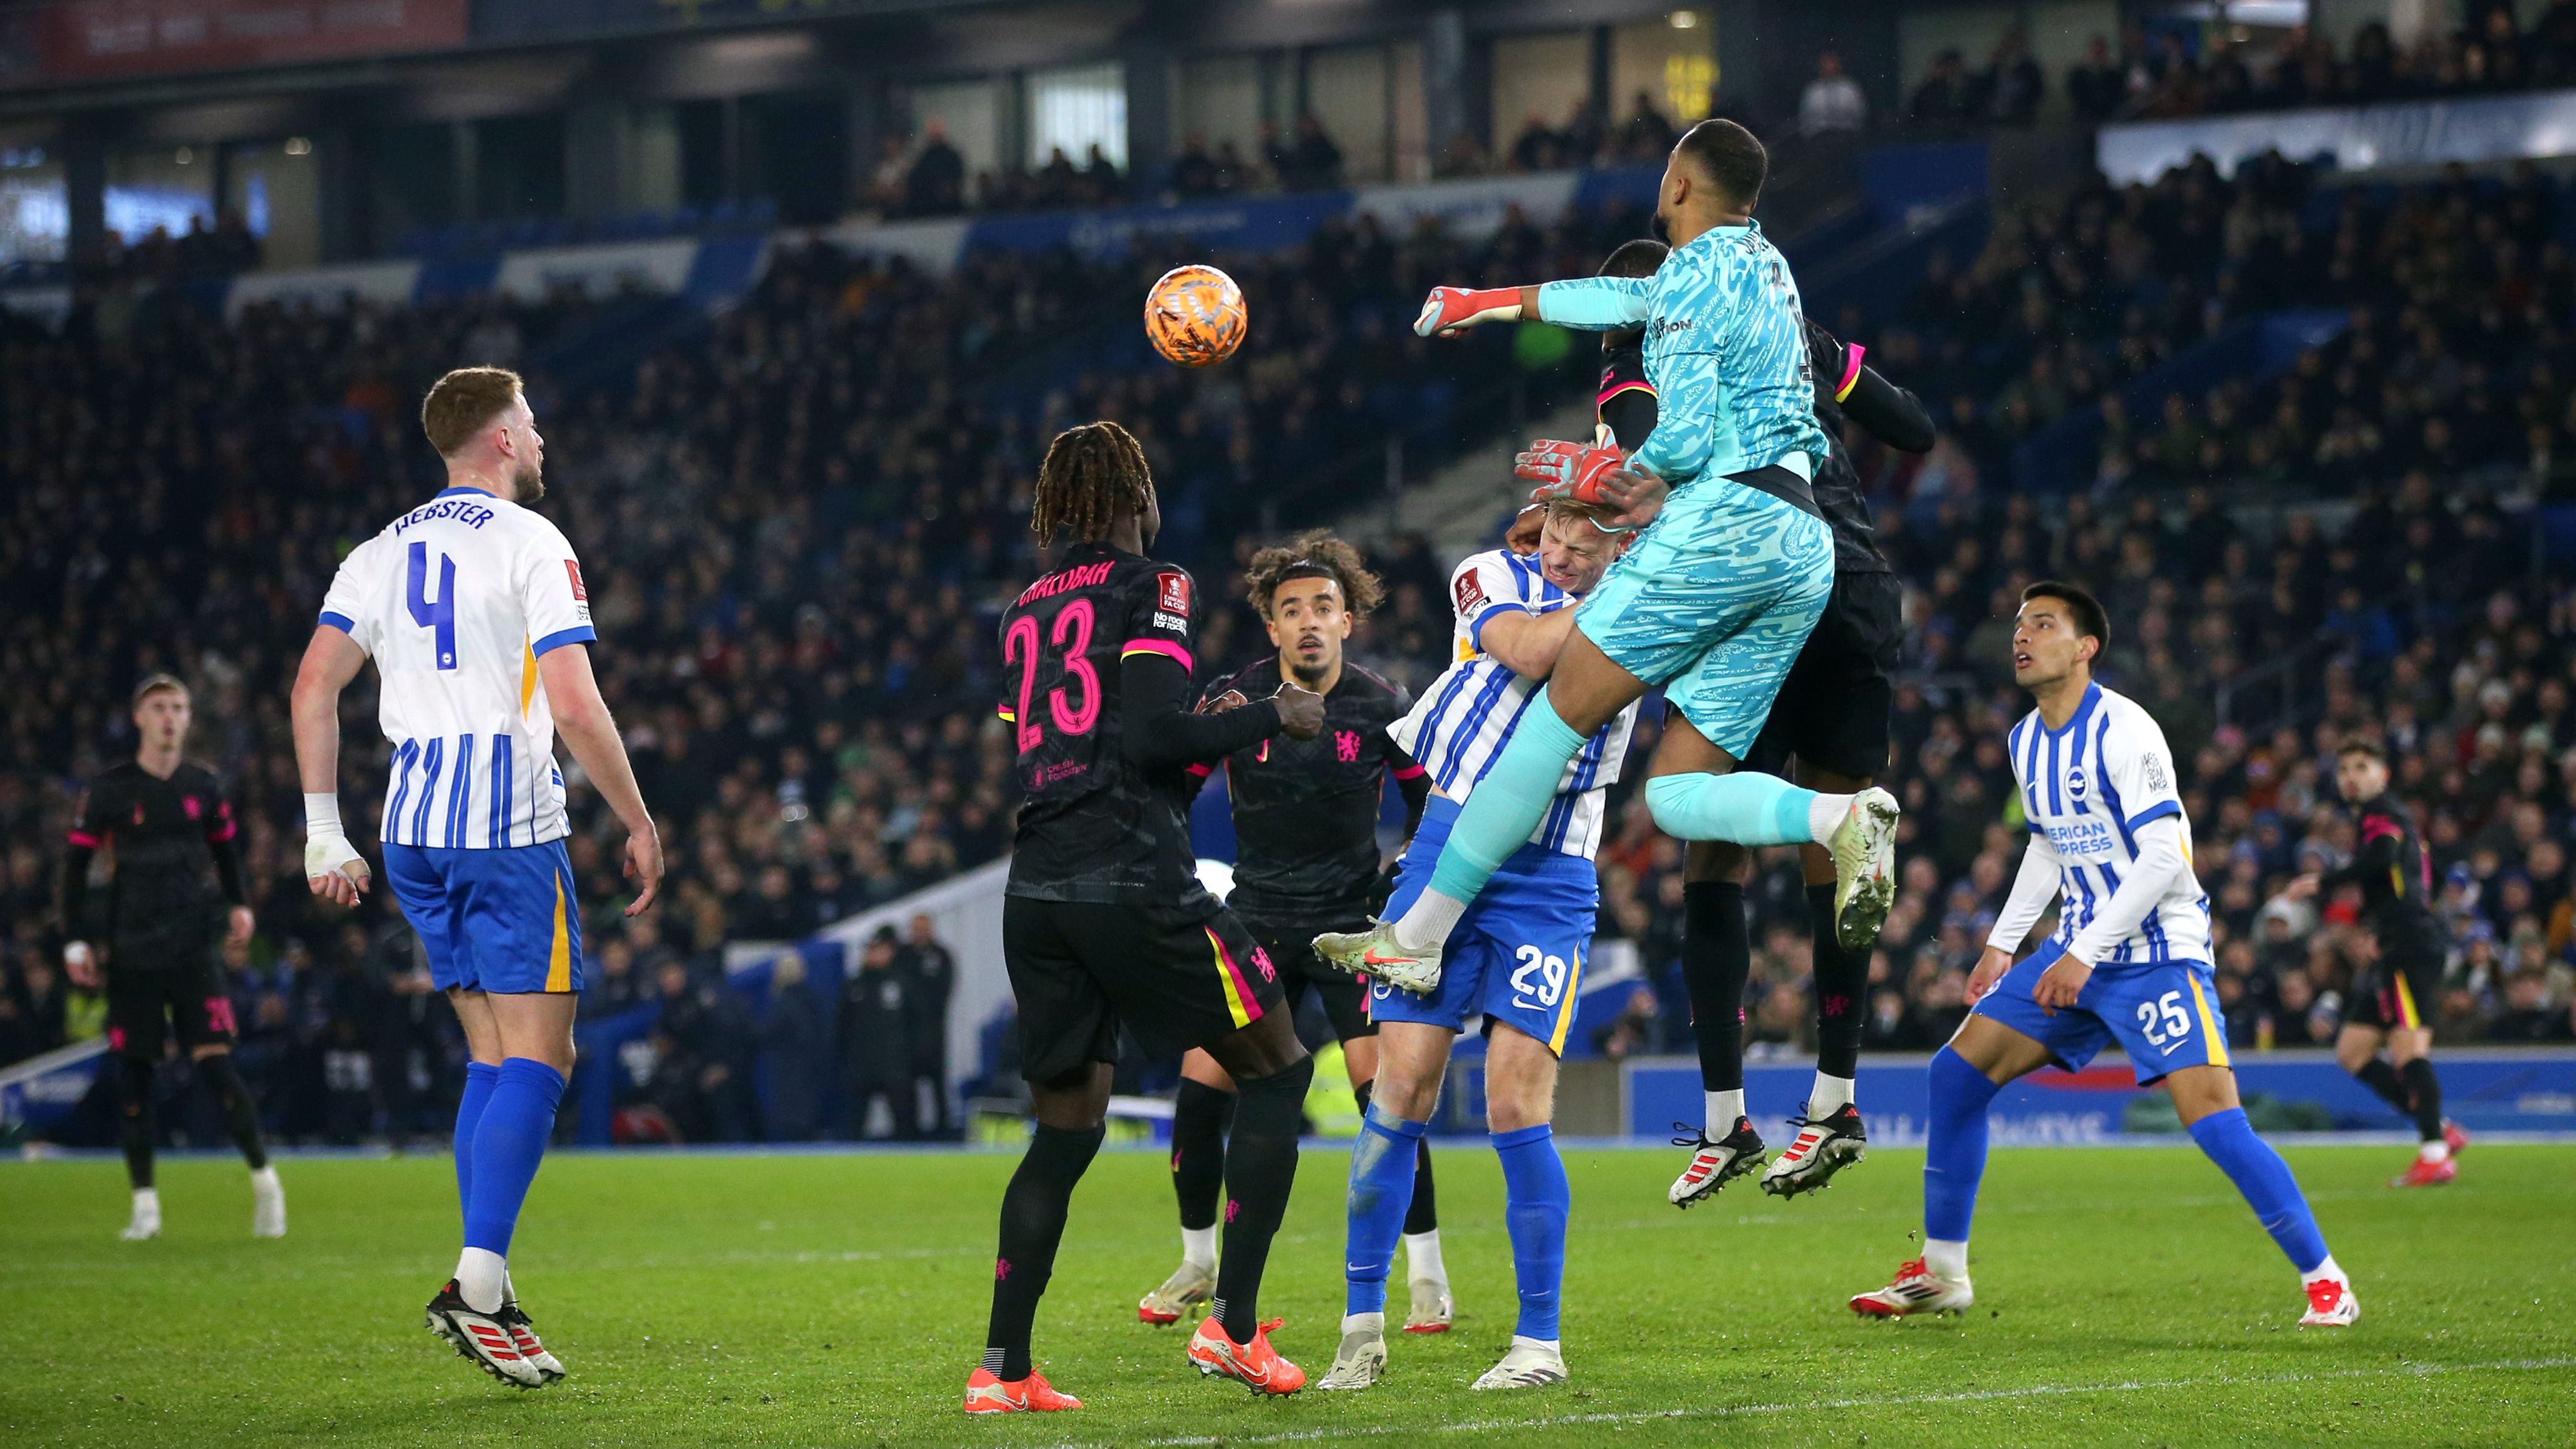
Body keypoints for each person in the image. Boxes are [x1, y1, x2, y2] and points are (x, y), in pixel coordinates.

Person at [1321, 120, 1901, 1061]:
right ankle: (1839, 817)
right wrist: (1488, 302)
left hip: (1730, 520)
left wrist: (1629, 474)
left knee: (1554, 717)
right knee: (1676, 796)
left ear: (1677, 182)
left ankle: (1415, 938)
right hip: (1804, 545)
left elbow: (1687, 429)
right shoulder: (1766, 269)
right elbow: (1618, 292)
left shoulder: (1687, 281)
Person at [293, 365, 665, 1388]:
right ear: (499, 437)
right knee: (545, 1057)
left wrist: (325, 831)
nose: (542, 441)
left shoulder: (379, 551)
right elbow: (579, 706)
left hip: (412, 828)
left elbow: (314, 685)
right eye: (533, 424)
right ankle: (477, 1279)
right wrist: (634, 816)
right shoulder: (534, 543)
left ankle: (487, 1286)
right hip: (505, 825)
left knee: (492, 1056)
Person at [1849, 582, 2359, 1329]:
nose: (2021, 637)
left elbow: (2162, 856)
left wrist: (2081, 953)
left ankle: (2325, 1280)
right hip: (2073, 953)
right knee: (1954, 1076)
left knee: (2212, 1117)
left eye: (2043, 625)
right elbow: (2047, 846)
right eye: (2019, 624)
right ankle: (1943, 1273)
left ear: (2084, 648)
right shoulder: (2026, 740)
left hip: (2154, 950)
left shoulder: (2127, 730)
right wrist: (1999, 944)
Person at [967, 421, 1326, 1414]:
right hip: (1134, 876)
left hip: (1037, 889)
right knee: (1280, 1065)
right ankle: (1237, 1330)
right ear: (1135, 496)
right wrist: (1272, 712)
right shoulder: (1153, 583)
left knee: (1066, 1129)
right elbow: (1158, 737)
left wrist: (1190, 739)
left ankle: (1003, 1369)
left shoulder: (1016, 613)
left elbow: (1081, 745)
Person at [1319, 492, 1641, 1394]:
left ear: (1618, 543)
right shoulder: (1490, 575)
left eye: (1585, 541)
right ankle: (1361, 1325)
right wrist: (1633, 584)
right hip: (1447, 851)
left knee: (1515, 1100)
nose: (1564, 552)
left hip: (1549, 876)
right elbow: (1534, 652)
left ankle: (1539, 1342)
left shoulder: (1646, 615)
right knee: (1402, 1084)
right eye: (1554, 536)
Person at [1138, 531, 1442, 1333]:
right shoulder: (1236, 701)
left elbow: (1434, 811)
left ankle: (1427, 1274)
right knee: (1200, 1092)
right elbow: (1170, 789)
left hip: (1351, 928)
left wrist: (1402, 879)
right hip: (1257, 925)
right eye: (1290, 610)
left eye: (1323, 608)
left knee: (1391, 1099)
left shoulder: (1384, 709)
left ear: (1348, 621)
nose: (1308, 622)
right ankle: (1199, 1261)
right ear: (1270, 629)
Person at [1674, 311, 1936, 1205]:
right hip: (1858, 586)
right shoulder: (1801, 332)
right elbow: (1914, 428)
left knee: (1704, 831)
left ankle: (1724, 1119)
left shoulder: (1664, 352)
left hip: (1764, 601)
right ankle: (1836, 1102)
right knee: (1837, 850)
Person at [58, 673, 283, 1242]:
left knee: (216, 1063)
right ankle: (145, 1205)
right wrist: (76, 938)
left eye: (178, 707)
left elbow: (226, 854)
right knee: (134, 1076)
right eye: (158, 706)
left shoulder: (203, 785)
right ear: (139, 716)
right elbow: (75, 872)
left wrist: (239, 906)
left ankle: (265, 1183)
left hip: (191, 948)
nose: (169, 716)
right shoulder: (110, 790)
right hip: (130, 949)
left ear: (188, 718)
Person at [2288, 741, 2468, 1185]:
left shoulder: (2380, 813)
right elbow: (2426, 872)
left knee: (2408, 1050)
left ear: (2382, 775)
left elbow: (2384, 855)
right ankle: (2440, 1128)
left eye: (2362, 766)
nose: (2351, 775)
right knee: (2352, 1049)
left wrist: (2324, 881)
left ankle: (2435, 1152)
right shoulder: (2394, 816)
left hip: (2409, 944)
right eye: (2345, 768)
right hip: (2398, 941)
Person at [842, 927, 919, 1140]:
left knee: (904, 1122)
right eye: (870, 950)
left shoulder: (902, 982)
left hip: (895, 1064)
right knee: (855, 1124)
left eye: (879, 950)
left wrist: (911, 1057)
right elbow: (842, 1027)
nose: (874, 955)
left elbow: (915, 1023)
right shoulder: (854, 985)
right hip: (861, 1065)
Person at [900, 913, 955, 1135]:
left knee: (938, 1081)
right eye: (916, 928)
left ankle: (943, 1128)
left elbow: (945, 990)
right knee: (907, 1083)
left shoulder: (942, 955)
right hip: (907, 1032)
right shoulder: (902, 956)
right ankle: (910, 1130)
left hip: (934, 1031)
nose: (920, 932)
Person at [1798, 51, 1868, 135]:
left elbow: (1861, 114)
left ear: (1839, 66)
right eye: (1826, 64)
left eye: (1832, 63)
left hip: (1847, 136)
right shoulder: (1813, 91)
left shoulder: (1850, 88)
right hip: (1820, 138)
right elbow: (1805, 120)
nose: (1829, 68)